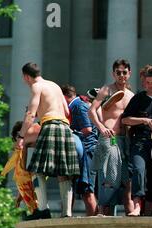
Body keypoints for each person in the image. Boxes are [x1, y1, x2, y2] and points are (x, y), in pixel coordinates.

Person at [16, 62, 79, 218]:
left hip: (50, 126)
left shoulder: (36, 87)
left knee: (37, 171)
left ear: (26, 76)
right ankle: (67, 213)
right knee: (63, 171)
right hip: (65, 128)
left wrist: (21, 136)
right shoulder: (55, 86)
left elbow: (31, 114)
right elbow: (66, 110)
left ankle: (43, 210)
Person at [89, 59, 135, 216]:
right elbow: (92, 110)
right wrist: (101, 127)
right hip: (110, 138)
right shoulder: (106, 90)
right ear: (113, 74)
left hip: (125, 140)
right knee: (110, 176)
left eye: (124, 72)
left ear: (129, 73)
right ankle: (103, 212)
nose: (121, 75)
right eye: (118, 72)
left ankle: (125, 214)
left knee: (125, 180)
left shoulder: (131, 95)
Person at [122, 66, 152, 215]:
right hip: (140, 141)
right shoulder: (138, 98)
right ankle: (136, 206)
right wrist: (143, 120)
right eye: (147, 82)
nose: (150, 85)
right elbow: (125, 119)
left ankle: (148, 212)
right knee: (138, 170)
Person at [62, 85, 99, 216]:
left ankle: (95, 225)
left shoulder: (78, 105)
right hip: (83, 151)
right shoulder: (76, 105)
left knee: (87, 190)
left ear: (64, 97)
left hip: (88, 150)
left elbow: (87, 130)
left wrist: (70, 132)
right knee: (83, 189)